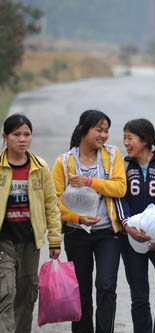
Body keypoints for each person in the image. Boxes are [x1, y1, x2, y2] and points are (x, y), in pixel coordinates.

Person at [52, 109, 126, 333]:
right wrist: (77, 218)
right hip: (77, 234)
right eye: (99, 130)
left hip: (108, 234)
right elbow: (55, 202)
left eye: (106, 131)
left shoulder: (113, 156)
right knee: (81, 291)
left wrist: (90, 181)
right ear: (83, 130)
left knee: (106, 286)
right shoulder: (63, 162)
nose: (104, 135)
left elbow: (120, 188)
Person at [0, 114, 61, 333]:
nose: (22, 139)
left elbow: (51, 205)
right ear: (5, 137)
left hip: (30, 241)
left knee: (26, 295)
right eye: (16, 134)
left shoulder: (40, 167)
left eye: (27, 134)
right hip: (3, 241)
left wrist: (54, 240)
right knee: (6, 291)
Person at [116, 118, 155, 333]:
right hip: (132, 240)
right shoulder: (122, 165)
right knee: (139, 297)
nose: (126, 143)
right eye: (124, 138)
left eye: (129, 138)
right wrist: (127, 227)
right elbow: (120, 199)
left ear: (144, 140)